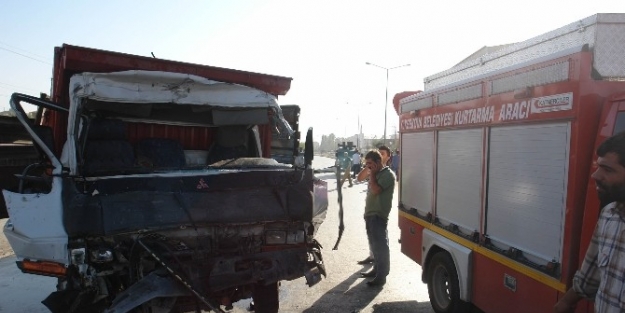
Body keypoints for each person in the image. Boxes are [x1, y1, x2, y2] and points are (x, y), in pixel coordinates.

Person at [553, 131, 625, 313]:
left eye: (608, 169)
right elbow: (591, 273)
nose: (595, 175)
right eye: (598, 166)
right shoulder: (610, 215)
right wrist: (566, 302)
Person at [358, 150, 396, 286]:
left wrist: (372, 174)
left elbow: (375, 190)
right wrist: (369, 169)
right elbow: (359, 178)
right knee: (374, 246)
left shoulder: (387, 175)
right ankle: (376, 269)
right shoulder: (375, 172)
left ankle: (382, 275)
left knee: (380, 246)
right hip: (370, 214)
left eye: (370, 163)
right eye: (366, 163)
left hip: (379, 215)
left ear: (378, 162)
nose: (368, 166)